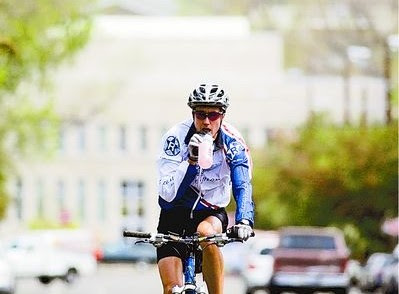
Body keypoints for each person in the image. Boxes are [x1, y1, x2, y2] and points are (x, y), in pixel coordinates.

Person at [156, 83, 255, 294]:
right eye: (201, 114)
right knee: (171, 288)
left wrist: (244, 220)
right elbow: (166, 197)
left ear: (222, 116)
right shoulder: (176, 138)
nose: (207, 122)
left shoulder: (233, 141)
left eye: (213, 115)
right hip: (174, 215)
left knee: (205, 232)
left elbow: (242, 184)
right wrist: (190, 163)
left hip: (211, 213)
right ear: (193, 114)